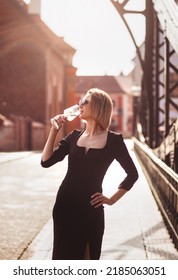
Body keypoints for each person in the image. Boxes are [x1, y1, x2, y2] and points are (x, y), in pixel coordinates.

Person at [41, 88, 138, 260]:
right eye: (80, 101)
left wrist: (111, 199)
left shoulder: (114, 140)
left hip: (90, 208)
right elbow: (46, 162)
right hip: (65, 205)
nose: (80, 104)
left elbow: (132, 174)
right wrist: (53, 131)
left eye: (85, 102)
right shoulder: (74, 136)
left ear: (98, 107)